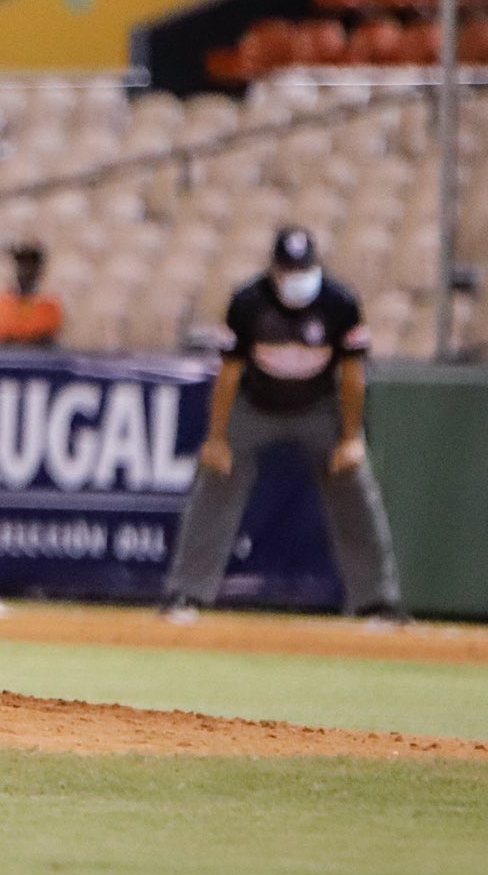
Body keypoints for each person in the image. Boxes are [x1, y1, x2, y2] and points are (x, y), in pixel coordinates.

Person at [160, 224, 405, 623]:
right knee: (215, 480)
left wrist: (349, 438)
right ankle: (185, 594)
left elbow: (353, 375)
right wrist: (218, 438)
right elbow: (228, 375)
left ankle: (377, 602)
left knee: (355, 485)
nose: (296, 280)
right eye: (289, 271)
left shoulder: (338, 302)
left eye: (303, 269)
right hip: (256, 406)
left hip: (318, 407)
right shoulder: (248, 302)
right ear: (274, 270)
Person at [0, 240, 64, 349]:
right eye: (22, 265)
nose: (26, 271)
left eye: (31, 266)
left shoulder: (49, 306)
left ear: (38, 270)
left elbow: (44, 336)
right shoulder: (2, 304)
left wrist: (17, 338)